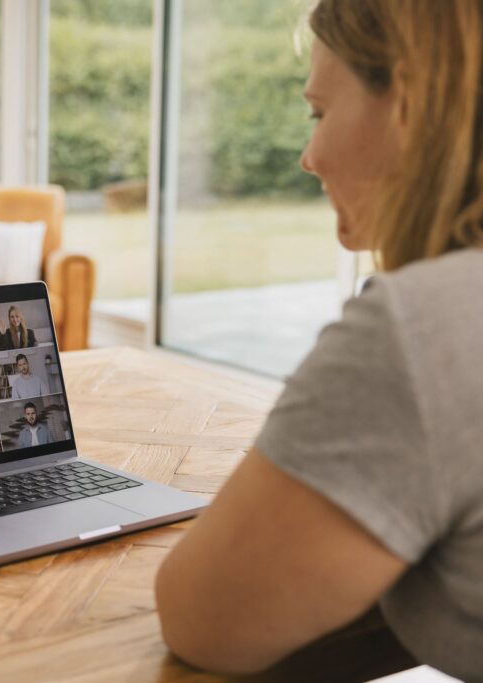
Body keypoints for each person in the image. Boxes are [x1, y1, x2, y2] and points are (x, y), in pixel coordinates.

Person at [155, 3, 483, 680]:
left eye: (319, 112)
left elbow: (203, 617)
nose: (310, 157)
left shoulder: (423, 330)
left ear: (410, 105)